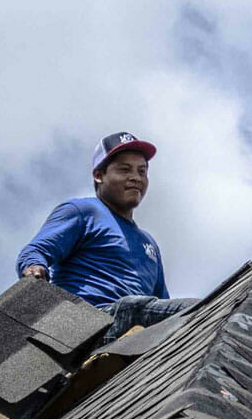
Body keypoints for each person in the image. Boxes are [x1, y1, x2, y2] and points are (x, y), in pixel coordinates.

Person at [17, 132, 195, 341]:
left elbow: (163, 304)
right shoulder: (83, 211)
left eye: (142, 171)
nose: (136, 178)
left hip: (136, 327)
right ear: (99, 175)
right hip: (91, 322)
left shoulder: (150, 244)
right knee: (193, 310)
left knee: (192, 319)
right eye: (124, 169)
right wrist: (34, 269)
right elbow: (35, 251)